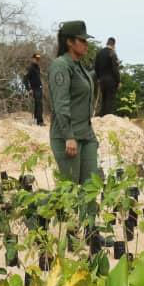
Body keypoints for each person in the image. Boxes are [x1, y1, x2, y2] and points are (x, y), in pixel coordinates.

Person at [49, 20, 101, 236]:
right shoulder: (61, 66)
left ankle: (90, 232)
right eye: (81, 40)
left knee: (90, 186)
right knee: (70, 189)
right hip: (68, 137)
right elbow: (61, 104)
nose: (85, 45)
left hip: (86, 134)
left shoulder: (80, 66)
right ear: (69, 42)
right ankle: (69, 233)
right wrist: (69, 136)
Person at [94, 37, 120, 116]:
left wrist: (98, 78)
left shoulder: (99, 53)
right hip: (111, 80)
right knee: (110, 99)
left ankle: (102, 116)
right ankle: (108, 117)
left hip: (101, 80)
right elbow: (115, 69)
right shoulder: (112, 53)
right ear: (113, 44)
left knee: (104, 99)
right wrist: (118, 81)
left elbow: (96, 66)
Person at [23, 53, 44, 126]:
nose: (37, 60)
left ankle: (36, 120)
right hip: (34, 89)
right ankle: (39, 121)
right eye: (36, 59)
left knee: (38, 104)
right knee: (39, 104)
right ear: (33, 59)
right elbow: (25, 80)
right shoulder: (30, 68)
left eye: (38, 59)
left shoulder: (37, 67)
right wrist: (29, 89)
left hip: (39, 88)